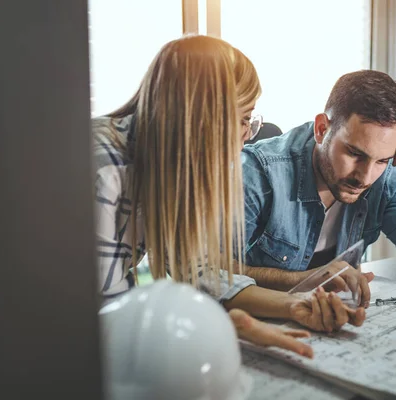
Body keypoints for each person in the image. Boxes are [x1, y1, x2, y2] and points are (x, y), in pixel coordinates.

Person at [92, 35, 366, 358]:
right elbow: (107, 319)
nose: (247, 136)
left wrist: (295, 305)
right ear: (202, 118)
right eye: (244, 119)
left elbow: (200, 269)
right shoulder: (104, 174)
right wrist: (218, 329)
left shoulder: (171, 163)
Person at [241, 70, 396, 302]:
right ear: (321, 130)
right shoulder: (258, 172)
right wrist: (304, 280)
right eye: (355, 153)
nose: (365, 177)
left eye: (382, 160)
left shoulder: (385, 179)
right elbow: (212, 271)